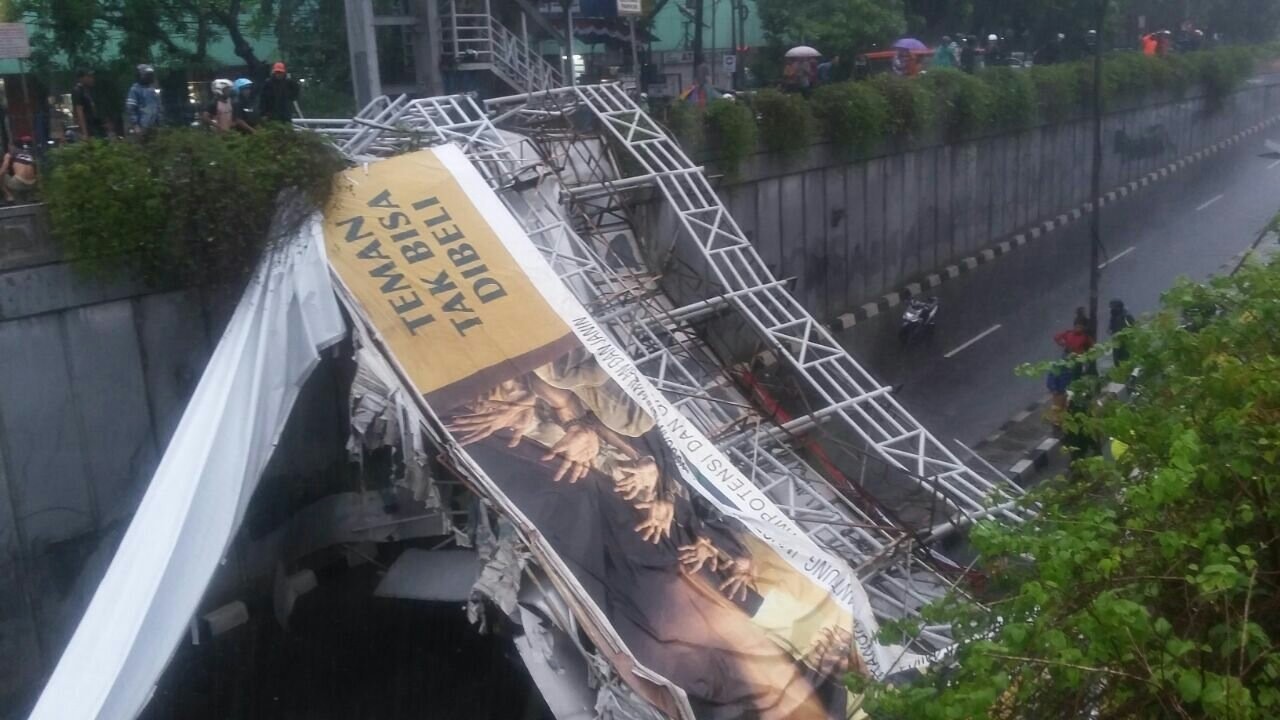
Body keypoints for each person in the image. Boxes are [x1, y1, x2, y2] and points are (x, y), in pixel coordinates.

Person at [71, 69, 111, 139]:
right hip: (88, 125)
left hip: (96, 123)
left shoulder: (90, 90)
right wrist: (84, 132)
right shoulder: (78, 91)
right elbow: (79, 111)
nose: (92, 79)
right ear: (81, 78)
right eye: (88, 77)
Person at [125, 64, 163, 134]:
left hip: (155, 126)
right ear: (140, 75)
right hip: (142, 127)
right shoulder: (134, 89)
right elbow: (131, 109)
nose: (150, 77)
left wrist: (160, 122)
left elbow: (158, 106)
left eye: (151, 75)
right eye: (147, 75)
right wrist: (136, 125)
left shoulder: (153, 89)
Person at [1, 136, 39, 204]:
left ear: (12, 146)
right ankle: (30, 195)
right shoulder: (29, 154)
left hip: (18, 184)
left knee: (2, 174)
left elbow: (3, 170)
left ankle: (9, 196)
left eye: (9, 146)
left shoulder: (9, 154)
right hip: (32, 184)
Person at [1108, 299, 1135, 365]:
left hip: (1126, 342)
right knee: (1116, 361)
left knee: (1125, 360)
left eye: (1112, 307)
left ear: (1118, 307)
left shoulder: (1126, 316)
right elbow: (1110, 328)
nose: (1111, 309)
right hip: (1116, 342)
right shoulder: (1113, 317)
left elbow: (1134, 328)